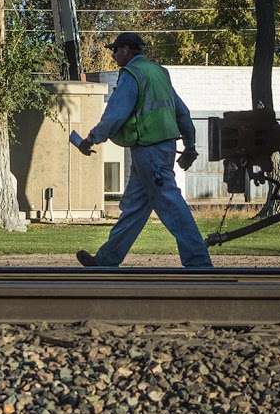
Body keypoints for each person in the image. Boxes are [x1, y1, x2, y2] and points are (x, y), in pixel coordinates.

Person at [75, 32, 212, 268]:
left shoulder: (132, 74)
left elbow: (115, 114)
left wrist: (91, 139)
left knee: (170, 203)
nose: (114, 54)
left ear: (127, 50)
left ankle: (199, 262)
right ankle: (106, 260)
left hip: (149, 150)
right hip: (159, 148)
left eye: (115, 50)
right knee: (134, 208)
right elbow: (181, 111)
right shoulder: (159, 73)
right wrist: (190, 145)